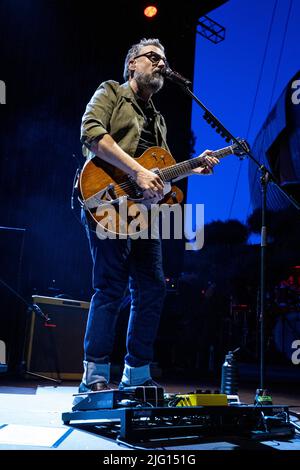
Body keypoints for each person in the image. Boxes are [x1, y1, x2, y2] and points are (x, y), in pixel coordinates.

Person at [77, 38, 219, 394]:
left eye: (163, 60)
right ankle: (94, 372)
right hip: (107, 198)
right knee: (109, 287)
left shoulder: (157, 118)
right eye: (153, 58)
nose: (160, 64)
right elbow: (91, 134)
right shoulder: (111, 91)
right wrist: (137, 172)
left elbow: (164, 170)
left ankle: (136, 373)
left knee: (152, 288)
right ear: (132, 65)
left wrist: (194, 168)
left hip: (144, 214)